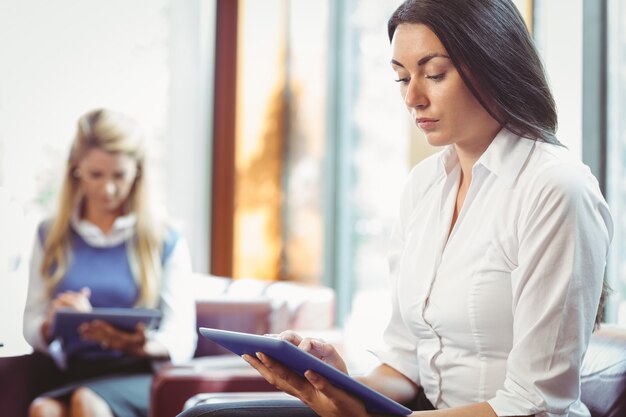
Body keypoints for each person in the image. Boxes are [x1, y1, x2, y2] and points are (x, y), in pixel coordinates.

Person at [179, 0, 613, 417]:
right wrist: (331, 379)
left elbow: (532, 405)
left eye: (435, 74)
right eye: (403, 79)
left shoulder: (555, 189)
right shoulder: (423, 186)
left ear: (494, 63)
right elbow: (405, 366)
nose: (413, 98)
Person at [23, 108, 197, 417]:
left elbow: (182, 336)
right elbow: (32, 323)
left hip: (138, 374)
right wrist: (52, 322)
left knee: (86, 402)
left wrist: (138, 345)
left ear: (137, 173)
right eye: (96, 175)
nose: (108, 189)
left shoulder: (164, 237)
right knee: (43, 409)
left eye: (119, 176)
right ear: (76, 168)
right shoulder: (51, 234)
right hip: (78, 372)